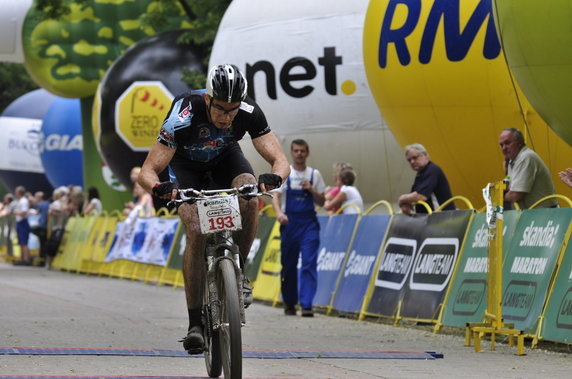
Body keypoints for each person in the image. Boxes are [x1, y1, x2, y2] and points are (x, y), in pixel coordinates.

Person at [137, 64, 289, 353]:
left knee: (248, 190)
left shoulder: (248, 112)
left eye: (233, 111)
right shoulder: (183, 113)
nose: (227, 117)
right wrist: (160, 189)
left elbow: (280, 160)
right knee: (195, 229)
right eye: (221, 110)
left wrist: (274, 177)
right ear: (208, 99)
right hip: (185, 167)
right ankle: (195, 323)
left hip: (224, 159)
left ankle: (240, 273)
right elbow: (147, 171)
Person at [271, 139, 325, 317]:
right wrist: (279, 213)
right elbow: (275, 197)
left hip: (309, 224)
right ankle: (290, 302)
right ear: (291, 153)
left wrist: (312, 190)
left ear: (307, 153)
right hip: (290, 224)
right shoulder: (288, 174)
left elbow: (322, 202)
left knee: (309, 262)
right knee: (289, 265)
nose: (299, 154)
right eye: (296, 151)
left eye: (302, 151)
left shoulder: (315, 175)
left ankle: (307, 304)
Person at [499, 128, 557, 209]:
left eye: (508, 143)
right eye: (501, 145)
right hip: (531, 214)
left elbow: (516, 195)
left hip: (544, 214)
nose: (504, 148)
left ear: (519, 143)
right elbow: (509, 188)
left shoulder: (526, 157)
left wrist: (498, 197)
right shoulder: (512, 160)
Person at [398, 143, 455, 215]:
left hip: (441, 218)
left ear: (425, 154)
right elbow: (413, 197)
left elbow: (421, 196)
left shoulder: (432, 170)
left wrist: (402, 199)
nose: (412, 162)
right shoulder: (420, 174)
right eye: (409, 160)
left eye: (415, 158)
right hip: (430, 219)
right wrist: (405, 203)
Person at [12, 186, 32, 265]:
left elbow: (24, 212)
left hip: (22, 222)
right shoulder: (21, 200)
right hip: (20, 222)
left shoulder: (23, 201)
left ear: (18, 193)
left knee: (24, 242)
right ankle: (22, 258)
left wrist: (15, 212)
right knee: (21, 242)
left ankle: (26, 259)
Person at [29, 191, 50, 266]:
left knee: (42, 244)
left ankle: (42, 260)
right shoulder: (48, 204)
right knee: (44, 243)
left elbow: (37, 213)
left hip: (43, 226)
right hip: (47, 226)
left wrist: (31, 212)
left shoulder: (41, 204)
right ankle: (43, 260)